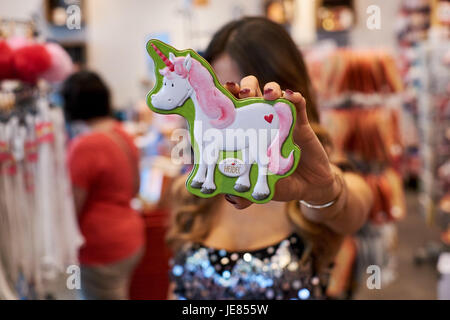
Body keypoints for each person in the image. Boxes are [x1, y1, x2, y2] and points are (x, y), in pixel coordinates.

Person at [167, 17, 374, 300]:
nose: (232, 114)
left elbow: (352, 207)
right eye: (222, 96)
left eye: (247, 102)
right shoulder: (196, 191)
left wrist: (325, 194)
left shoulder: (315, 181)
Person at [62, 71, 145, 300]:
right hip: (130, 236)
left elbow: (72, 208)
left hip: (101, 248)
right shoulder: (121, 133)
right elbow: (136, 187)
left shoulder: (84, 146)